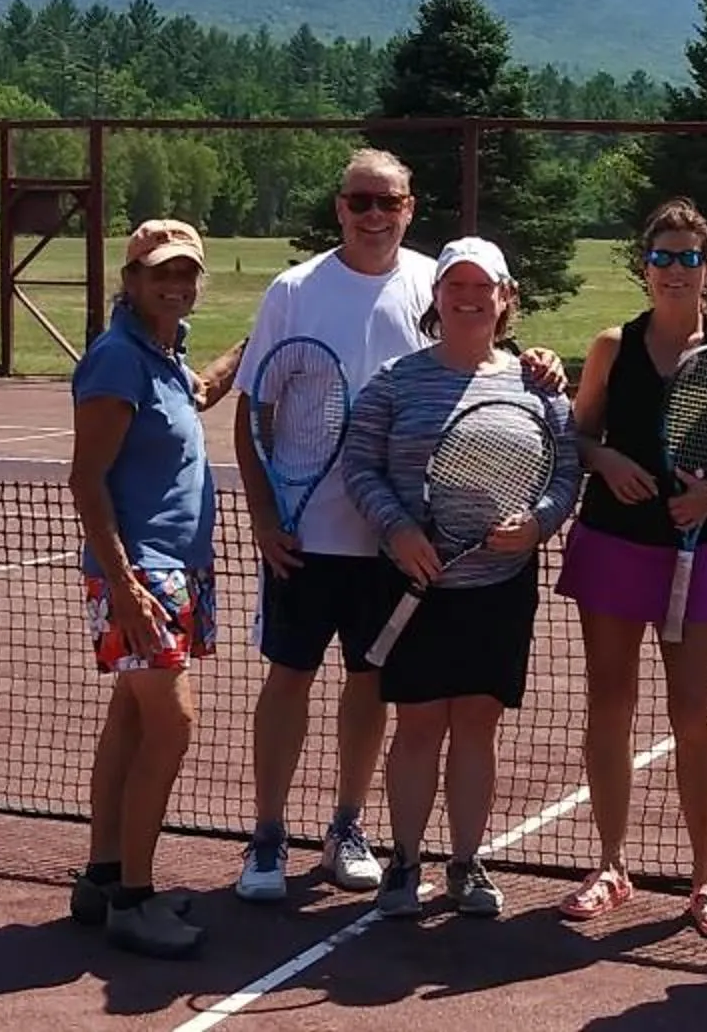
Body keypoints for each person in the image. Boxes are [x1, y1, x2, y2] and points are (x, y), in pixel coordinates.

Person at [227, 148, 564, 903]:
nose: (373, 215)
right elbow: (255, 414)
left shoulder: (433, 281)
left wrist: (538, 362)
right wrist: (260, 516)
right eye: (359, 201)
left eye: (389, 202)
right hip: (305, 535)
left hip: (400, 551)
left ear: (411, 207)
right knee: (289, 678)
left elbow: (476, 366)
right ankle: (267, 834)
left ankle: (347, 825)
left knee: (371, 687)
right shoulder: (294, 290)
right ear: (339, 207)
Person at [553, 197, 707, 937]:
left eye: (690, 257)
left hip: (699, 551)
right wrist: (607, 459)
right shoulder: (609, 347)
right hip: (612, 545)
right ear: (644, 267)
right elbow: (577, 437)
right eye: (663, 257)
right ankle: (612, 864)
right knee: (610, 702)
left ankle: (706, 879)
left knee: (693, 714)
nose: (676, 269)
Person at [340, 236, 583, 919]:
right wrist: (399, 529)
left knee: (477, 728)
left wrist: (539, 524)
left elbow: (566, 471)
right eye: (457, 287)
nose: (470, 299)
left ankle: (466, 863)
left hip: (499, 588)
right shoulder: (396, 380)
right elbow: (360, 465)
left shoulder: (538, 386)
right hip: (415, 584)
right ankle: (406, 862)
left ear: (506, 299)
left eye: (484, 288)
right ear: (438, 297)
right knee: (417, 728)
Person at [65, 218, 226, 960]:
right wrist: (125, 586)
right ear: (130, 281)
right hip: (141, 575)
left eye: (186, 272)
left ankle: (103, 878)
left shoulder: (164, 352)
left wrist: (269, 335)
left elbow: (203, 390)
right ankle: (135, 898)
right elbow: (86, 480)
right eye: (161, 271)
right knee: (174, 722)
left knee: (129, 722)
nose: (176, 283)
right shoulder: (117, 360)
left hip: (172, 569)